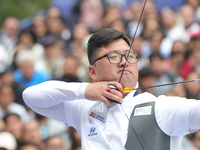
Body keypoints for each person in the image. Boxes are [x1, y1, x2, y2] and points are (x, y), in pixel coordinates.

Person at [23, 28, 200, 150]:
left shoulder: (161, 108)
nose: (124, 61)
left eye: (129, 55)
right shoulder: (84, 108)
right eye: (113, 56)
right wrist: (85, 90)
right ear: (93, 72)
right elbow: (30, 96)